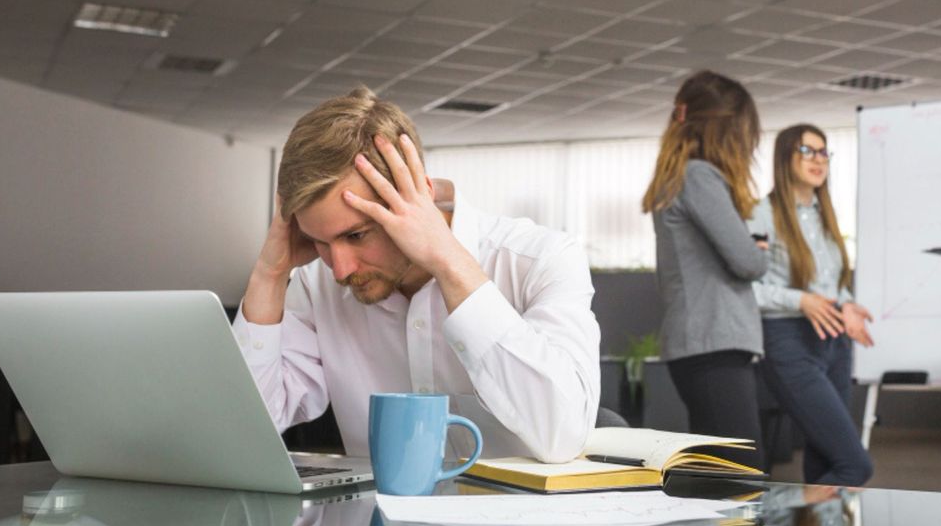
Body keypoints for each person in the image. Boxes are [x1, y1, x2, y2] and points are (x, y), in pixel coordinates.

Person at [232, 87, 600, 463]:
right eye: (319, 241)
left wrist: (450, 264)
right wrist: (269, 274)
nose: (340, 269)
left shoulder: (539, 260)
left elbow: (563, 436)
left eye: (356, 235)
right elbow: (244, 432)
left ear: (418, 195)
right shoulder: (316, 286)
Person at [642, 70, 767, 470]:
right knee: (741, 472)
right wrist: (759, 249)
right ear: (727, 130)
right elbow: (747, 261)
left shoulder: (679, 176)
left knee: (717, 473)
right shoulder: (698, 176)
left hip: (700, 344)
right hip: (713, 343)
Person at [749, 125, 874, 486]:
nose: (818, 159)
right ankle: (790, 515)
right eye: (807, 151)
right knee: (855, 465)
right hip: (789, 341)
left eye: (823, 152)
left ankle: (815, 517)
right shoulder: (761, 214)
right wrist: (800, 300)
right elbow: (745, 289)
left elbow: (831, 284)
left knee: (825, 460)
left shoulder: (824, 215)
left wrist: (846, 304)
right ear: (785, 157)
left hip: (834, 341)